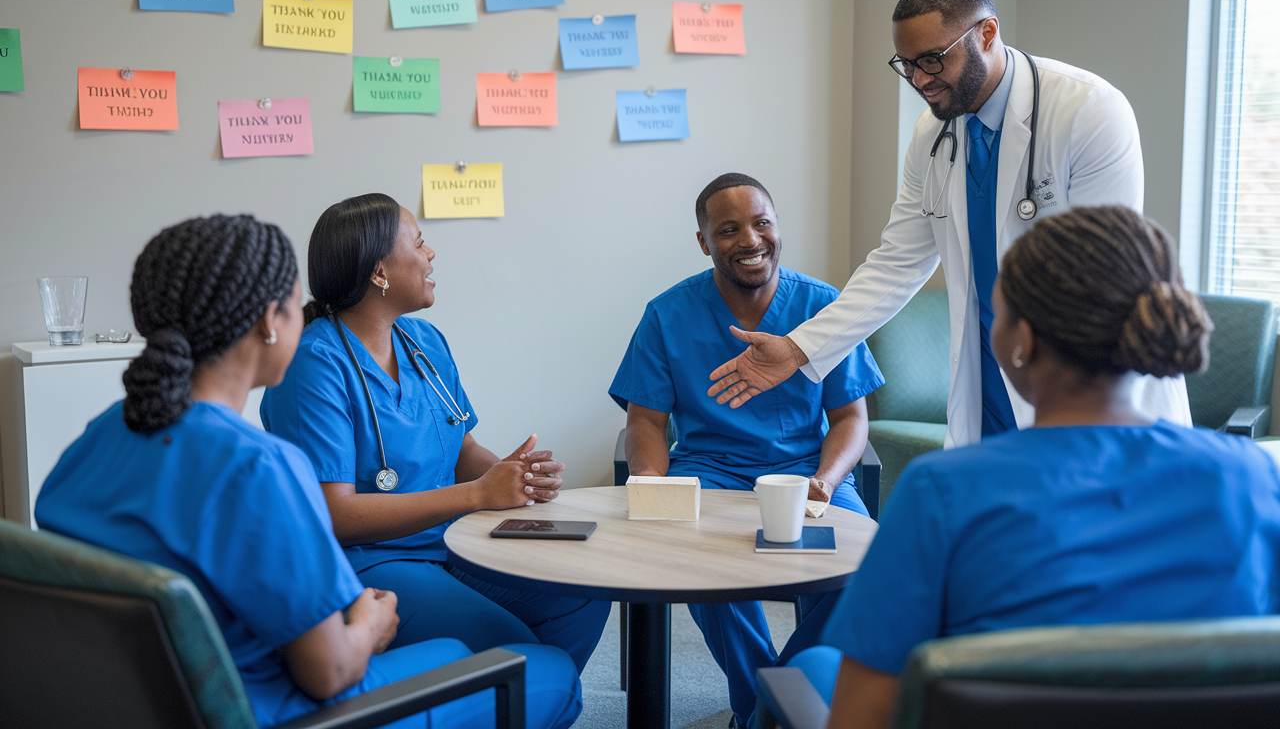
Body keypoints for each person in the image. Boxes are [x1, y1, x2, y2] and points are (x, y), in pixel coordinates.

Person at [34, 215, 583, 729]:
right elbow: (327, 671)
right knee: (546, 674)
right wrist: (371, 626)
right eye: (299, 304)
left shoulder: (96, 439)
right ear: (271, 321)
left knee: (496, 637)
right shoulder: (260, 468)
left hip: (145, 703)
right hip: (271, 711)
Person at [781, 206, 1280, 729]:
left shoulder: (943, 492)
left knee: (813, 667)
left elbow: (865, 717)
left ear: (1023, 340)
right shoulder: (1252, 478)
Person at [707, 0, 1189, 448]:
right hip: (990, 384)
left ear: (987, 33)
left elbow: (1102, 278)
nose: (919, 79)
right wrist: (798, 348)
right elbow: (898, 262)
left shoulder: (1088, 111)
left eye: (933, 60)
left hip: (1083, 393)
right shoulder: (932, 133)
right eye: (907, 64)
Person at [260, 193, 610, 675]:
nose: (431, 255)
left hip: (454, 541)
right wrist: (477, 495)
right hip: (368, 563)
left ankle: (528, 706)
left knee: (581, 599)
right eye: (420, 243)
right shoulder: (313, 364)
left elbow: (461, 446)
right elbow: (334, 514)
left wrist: (514, 477)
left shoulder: (425, 343)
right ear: (379, 270)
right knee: (509, 650)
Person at [609, 173, 884, 728]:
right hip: (710, 472)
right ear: (704, 241)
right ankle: (768, 707)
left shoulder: (823, 306)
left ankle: (766, 709)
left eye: (761, 223)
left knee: (867, 568)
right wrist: (652, 485)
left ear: (778, 228)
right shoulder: (668, 314)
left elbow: (852, 418)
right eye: (728, 229)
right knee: (698, 564)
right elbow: (645, 421)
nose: (750, 240)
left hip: (809, 474)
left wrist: (827, 479)